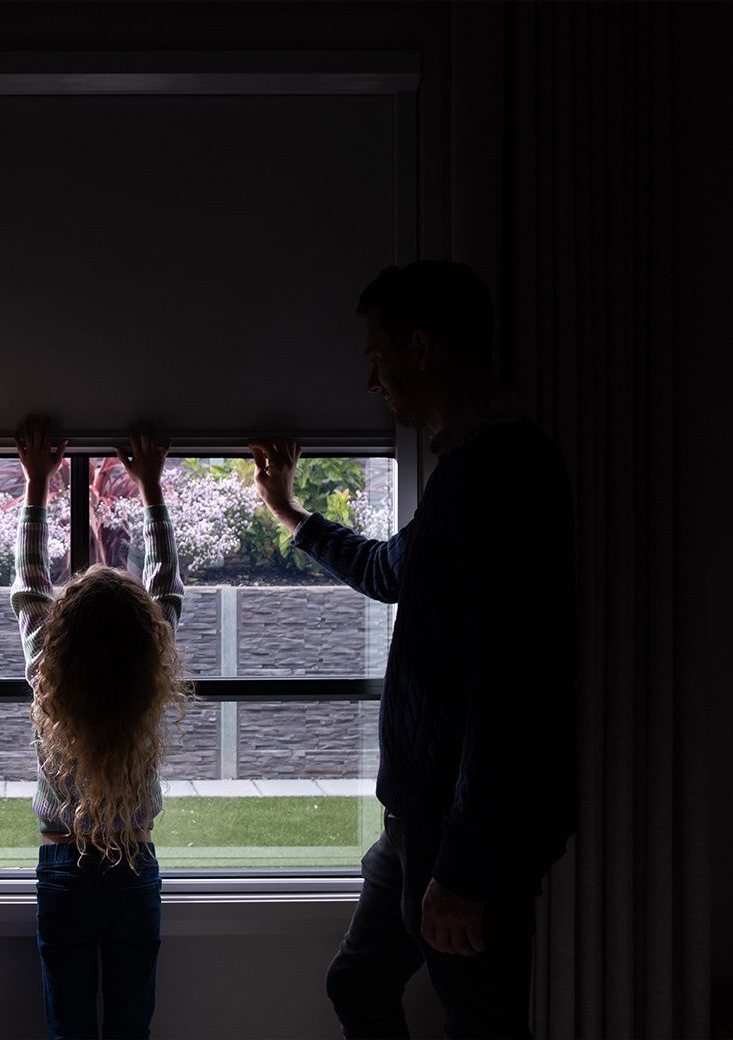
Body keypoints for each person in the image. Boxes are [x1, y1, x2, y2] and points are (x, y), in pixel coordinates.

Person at [250, 262, 576, 1039]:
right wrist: (291, 514)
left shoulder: (502, 475)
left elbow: (510, 688)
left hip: (463, 837)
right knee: (359, 984)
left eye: (376, 357)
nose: (371, 382)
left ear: (422, 348)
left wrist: (462, 867)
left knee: (484, 1022)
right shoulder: (465, 472)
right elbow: (390, 570)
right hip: (421, 824)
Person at [11, 418, 189, 1040]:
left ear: (64, 639)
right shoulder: (146, 684)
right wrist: (153, 490)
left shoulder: (47, 675)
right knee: (129, 1028)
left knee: (69, 1029)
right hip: (136, 865)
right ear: (147, 642)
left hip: (61, 867)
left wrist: (36, 485)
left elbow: (29, 584)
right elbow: (167, 583)